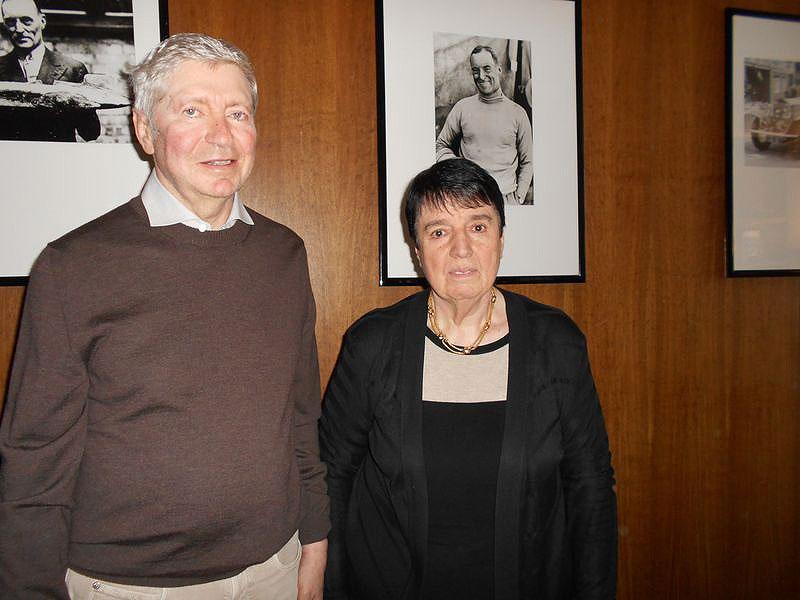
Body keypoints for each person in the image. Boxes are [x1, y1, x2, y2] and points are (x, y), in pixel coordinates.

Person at [0, 33, 328, 599]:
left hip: (273, 567)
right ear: (145, 129)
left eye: (237, 113)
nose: (221, 135)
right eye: (192, 111)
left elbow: (300, 415)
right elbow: (35, 459)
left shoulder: (284, 254)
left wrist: (315, 540)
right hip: (127, 585)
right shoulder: (73, 266)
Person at [320, 158, 616, 599]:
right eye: (439, 231)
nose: (461, 249)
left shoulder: (556, 343)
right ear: (417, 250)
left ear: (501, 239)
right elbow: (331, 475)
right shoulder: (372, 344)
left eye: (478, 226)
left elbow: (590, 484)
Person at [435, 45, 533, 205]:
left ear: (499, 69)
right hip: (468, 199)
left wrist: (518, 197)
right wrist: (458, 167)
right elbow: (440, 145)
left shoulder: (518, 113)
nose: (481, 76)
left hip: (505, 198)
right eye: (475, 70)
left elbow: (528, 161)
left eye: (487, 68)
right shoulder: (462, 107)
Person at [0, 0, 100, 141]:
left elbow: (91, 133)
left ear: (42, 21)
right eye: (10, 22)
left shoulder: (73, 69)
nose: (19, 29)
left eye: (26, 20)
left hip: (57, 154)